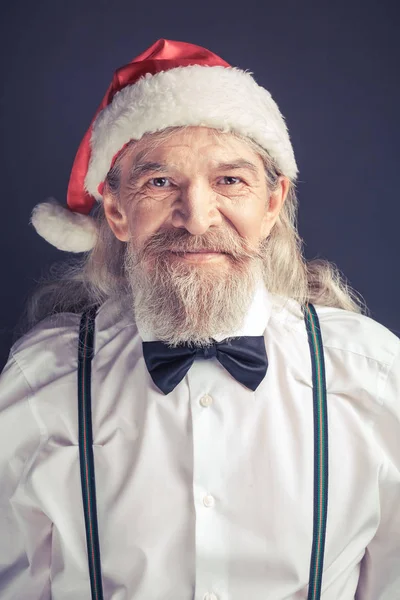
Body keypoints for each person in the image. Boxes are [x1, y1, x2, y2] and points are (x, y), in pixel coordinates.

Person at [0, 38, 398, 600]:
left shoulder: (373, 376)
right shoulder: (41, 383)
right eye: (160, 183)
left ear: (271, 204)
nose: (196, 218)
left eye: (229, 181)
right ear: (116, 211)